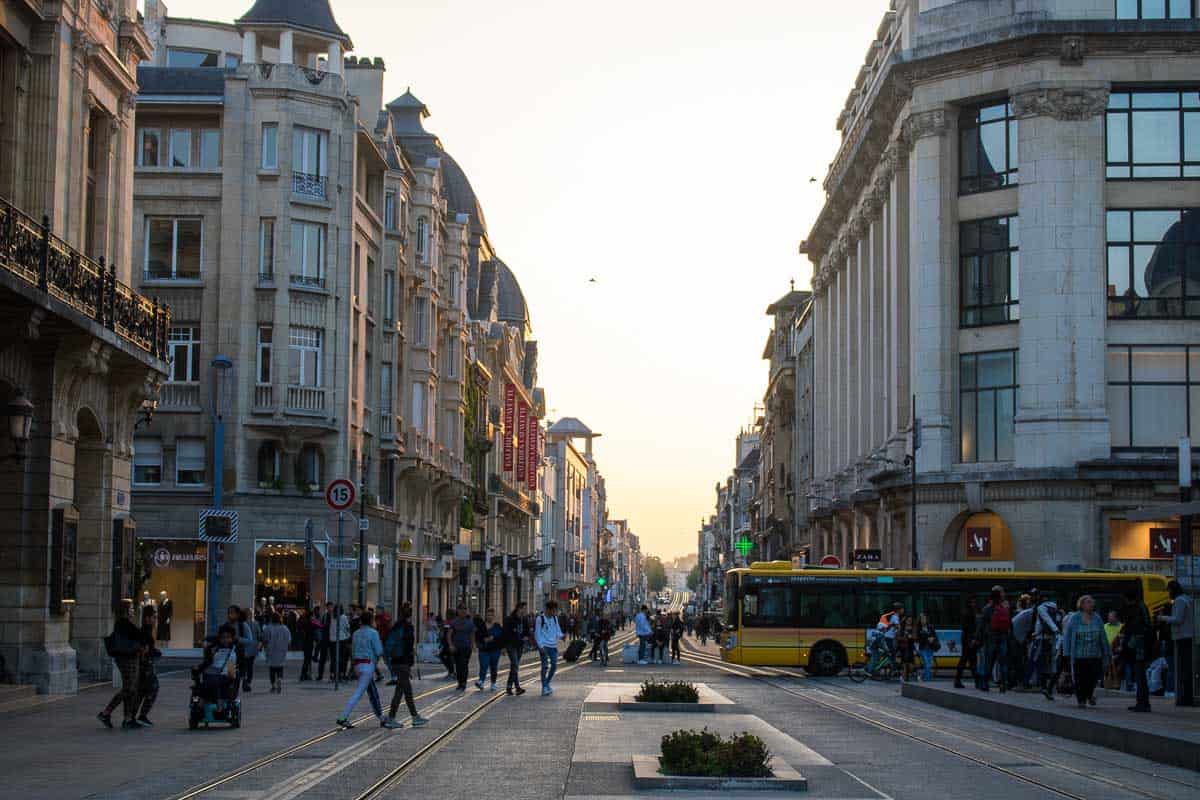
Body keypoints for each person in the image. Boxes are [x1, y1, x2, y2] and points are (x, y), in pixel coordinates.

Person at [337, 610, 398, 729]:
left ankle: (381, 717)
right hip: (368, 665)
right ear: (371, 620)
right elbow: (379, 651)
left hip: (358, 666)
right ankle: (343, 717)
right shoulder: (373, 633)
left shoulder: (356, 633)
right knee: (359, 693)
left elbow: (353, 651)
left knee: (372, 691)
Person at [99, 603, 146, 730]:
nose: (133, 610)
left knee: (131, 688)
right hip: (126, 658)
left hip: (131, 658)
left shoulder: (126, 623)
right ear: (125, 611)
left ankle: (128, 718)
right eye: (131, 608)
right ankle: (106, 713)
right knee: (129, 688)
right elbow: (140, 635)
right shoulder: (123, 623)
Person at [383, 603, 428, 728]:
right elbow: (406, 645)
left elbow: (392, 646)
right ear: (411, 614)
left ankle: (414, 717)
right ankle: (392, 718)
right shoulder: (407, 627)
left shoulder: (397, 626)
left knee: (405, 691)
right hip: (403, 663)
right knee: (401, 692)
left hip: (398, 662)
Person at [1062, 595, 1110, 708]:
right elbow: (1068, 636)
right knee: (1080, 679)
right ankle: (1081, 700)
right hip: (1079, 655)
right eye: (1089, 602)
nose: (1092, 604)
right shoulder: (1075, 618)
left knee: (1092, 678)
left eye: (1092, 602)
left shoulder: (1097, 618)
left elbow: (1103, 636)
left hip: (1094, 654)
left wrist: (1106, 651)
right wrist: (1066, 653)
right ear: (1082, 605)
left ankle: (1089, 694)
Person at [1158, 580, 1194, 706]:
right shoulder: (1187, 599)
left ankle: (1185, 697)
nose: (1168, 594)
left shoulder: (1179, 601)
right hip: (1189, 636)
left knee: (1183, 669)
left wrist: (1163, 618)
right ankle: (1187, 696)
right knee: (1186, 668)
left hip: (1182, 637)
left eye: (1169, 591)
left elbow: (1177, 619)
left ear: (1173, 590)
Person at [1120, 590, 1153, 712]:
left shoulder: (1137, 609)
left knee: (1140, 676)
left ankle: (1143, 703)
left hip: (1139, 648)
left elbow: (1136, 629)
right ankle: (1142, 702)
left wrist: (1129, 645)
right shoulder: (1141, 607)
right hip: (1141, 647)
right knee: (1140, 676)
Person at [977, 586, 1011, 692]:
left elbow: (981, 626)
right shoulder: (1004, 608)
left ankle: (985, 684)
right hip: (1003, 637)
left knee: (989, 662)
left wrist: (978, 638)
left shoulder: (987, 608)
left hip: (991, 638)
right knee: (1003, 663)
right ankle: (1003, 685)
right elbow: (1010, 624)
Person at [135, 605, 161, 726]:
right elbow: (144, 650)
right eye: (153, 617)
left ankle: (134, 715)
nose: (155, 620)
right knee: (152, 688)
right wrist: (154, 652)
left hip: (145, 665)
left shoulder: (147, 631)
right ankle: (142, 715)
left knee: (141, 691)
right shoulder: (145, 632)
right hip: (146, 666)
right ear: (147, 618)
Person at [1032, 597, 1062, 700]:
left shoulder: (1041, 608)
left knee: (1041, 662)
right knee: (1053, 664)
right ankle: (1049, 687)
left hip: (1042, 639)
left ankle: (1044, 686)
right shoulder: (1057, 611)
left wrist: (1036, 633)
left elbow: (1045, 621)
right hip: (1054, 639)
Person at [535, 600, 565, 695]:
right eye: (553, 610)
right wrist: (540, 646)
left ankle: (547, 683)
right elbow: (537, 633)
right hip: (544, 646)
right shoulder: (540, 619)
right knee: (544, 666)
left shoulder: (555, 618)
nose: (555, 612)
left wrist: (562, 636)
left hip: (553, 646)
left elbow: (557, 631)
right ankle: (544, 687)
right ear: (548, 609)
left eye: (555, 610)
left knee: (554, 665)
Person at [502, 602, 530, 695]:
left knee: (515, 666)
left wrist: (526, 637)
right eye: (524, 609)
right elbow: (505, 634)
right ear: (519, 609)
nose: (525, 611)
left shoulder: (525, 620)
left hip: (520, 645)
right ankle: (515, 687)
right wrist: (504, 647)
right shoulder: (509, 620)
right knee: (515, 664)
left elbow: (527, 631)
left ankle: (511, 687)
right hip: (511, 645)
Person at [262, 612, 292, 694]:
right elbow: (289, 640)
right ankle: (279, 678)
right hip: (281, 651)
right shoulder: (285, 628)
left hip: (271, 650)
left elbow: (264, 639)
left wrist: (265, 647)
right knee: (280, 667)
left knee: (272, 668)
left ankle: (273, 685)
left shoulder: (268, 628)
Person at [447, 605, 475, 691]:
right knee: (458, 666)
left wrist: (472, 645)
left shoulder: (470, 623)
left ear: (466, 611)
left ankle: (464, 683)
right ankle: (460, 682)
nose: (463, 612)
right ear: (458, 611)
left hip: (466, 647)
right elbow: (449, 635)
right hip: (456, 647)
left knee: (464, 665)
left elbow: (472, 635)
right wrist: (451, 645)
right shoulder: (454, 622)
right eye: (461, 610)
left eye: (464, 610)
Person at [475, 608, 504, 691]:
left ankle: (493, 683)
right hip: (484, 649)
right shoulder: (481, 626)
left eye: (491, 615)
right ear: (485, 616)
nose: (489, 617)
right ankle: (481, 681)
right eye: (488, 615)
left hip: (495, 650)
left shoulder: (497, 626)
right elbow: (477, 636)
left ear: (494, 616)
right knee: (483, 665)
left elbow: (501, 638)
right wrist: (483, 640)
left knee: (494, 667)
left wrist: (501, 647)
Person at [916, 613, 939, 682]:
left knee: (929, 664)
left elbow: (935, 636)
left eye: (924, 619)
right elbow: (918, 639)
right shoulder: (918, 628)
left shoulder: (930, 627)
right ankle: (927, 680)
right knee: (927, 664)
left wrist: (933, 639)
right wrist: (926, 638)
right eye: (922, 619)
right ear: (920, 620)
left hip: (930, 648)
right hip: (922, 648)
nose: (923, 620)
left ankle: (923, 677)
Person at [316, 602, 334, 681]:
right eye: (328, 607)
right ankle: (320, 675)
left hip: (332, 638)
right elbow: (321, 626)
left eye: (331, 607)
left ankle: (332, 674)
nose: (330, 608)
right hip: (325, 638)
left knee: (333, 657)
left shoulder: (334, 616)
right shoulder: (325, 616)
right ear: (327, 608)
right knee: (322, 657)